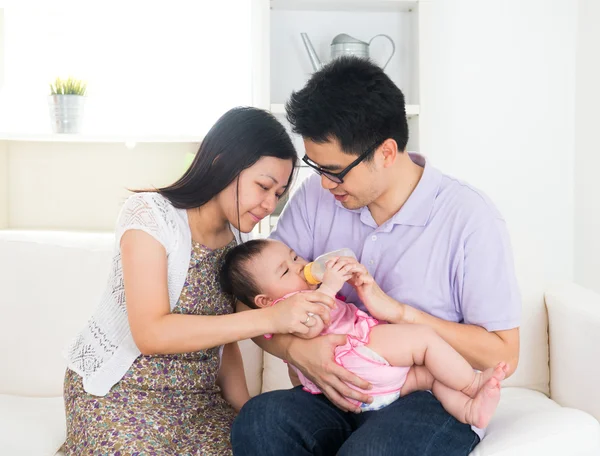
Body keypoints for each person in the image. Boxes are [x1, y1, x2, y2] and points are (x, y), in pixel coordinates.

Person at [231, 57, 521, 456]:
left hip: (425, 391)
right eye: (317, 167)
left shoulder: (469, 217)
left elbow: (504, 352)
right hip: (339, 384)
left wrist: (403, 315)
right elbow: (255, 300)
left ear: (386, 152)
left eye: (336, 171)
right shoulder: (317, 197)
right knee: (261, 421)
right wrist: (297, 351)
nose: (324, 183)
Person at [62, 107, 336, 455]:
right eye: (263, 187)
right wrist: (270, 317)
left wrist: (246, 411)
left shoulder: (238, 243)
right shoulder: (150, 215)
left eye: (278, 194)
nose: (269, 204)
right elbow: (150, 333)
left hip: (197, 404)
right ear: (222, 164)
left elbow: (227, 342)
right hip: (121, 393)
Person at [221, 238, 508, 428]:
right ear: (265, 302)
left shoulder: (291, 299)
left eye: (295, 258)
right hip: (354, 355)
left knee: (429, 376)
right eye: (285, 272)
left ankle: (470, 412)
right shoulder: (286, 309)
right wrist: (330, 286)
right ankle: (472, 384)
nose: (299, 268)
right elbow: (310, 326)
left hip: (368, 388)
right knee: (424, 340)